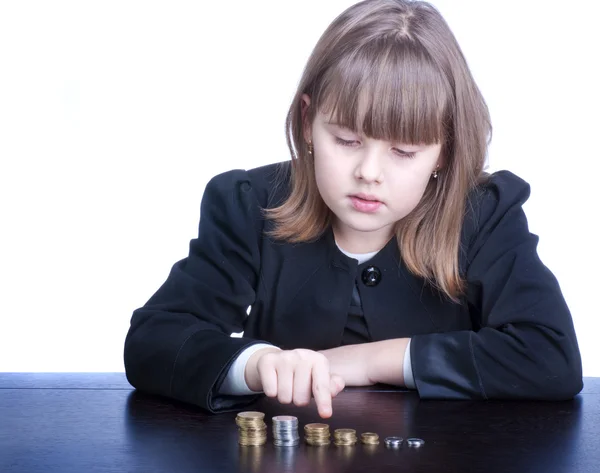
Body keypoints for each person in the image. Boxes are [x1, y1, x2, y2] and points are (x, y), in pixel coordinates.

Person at [123, 0, 583, 418]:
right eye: (346, 141)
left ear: (443, 151)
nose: (369, 172)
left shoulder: (484, 215)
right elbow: (153, 341)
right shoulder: (250, 203)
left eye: (403, 151)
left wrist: (366, 360)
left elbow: (550, 357)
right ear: (307, 122)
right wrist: (259, 364)